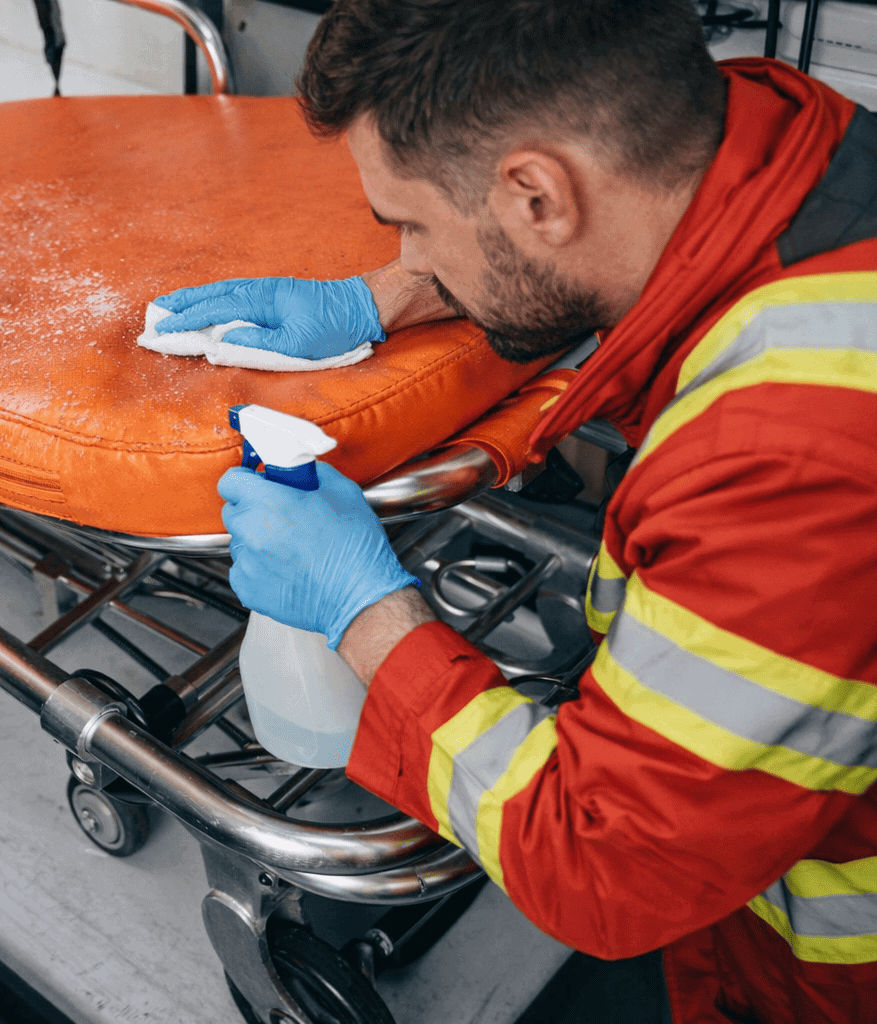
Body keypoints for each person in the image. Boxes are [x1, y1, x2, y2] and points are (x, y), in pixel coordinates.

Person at [153, 1, 877, 1021]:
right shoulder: (795, 143)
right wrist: (384, 298)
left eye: (409, 224)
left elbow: (608, 869)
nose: (408, 250)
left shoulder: (794, 451)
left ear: (538, 194)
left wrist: (362, 610)